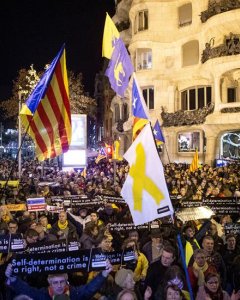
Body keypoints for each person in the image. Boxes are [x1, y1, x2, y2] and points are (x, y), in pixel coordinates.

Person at [5, 260, 113, 300]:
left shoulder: (75, 293)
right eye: (55, 282)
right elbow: (26, 290)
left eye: (62, 281)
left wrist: (103, 274)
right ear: (50, 283)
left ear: (66, 280)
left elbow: (90, 289)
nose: (59, 285)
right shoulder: (42, 295)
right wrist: (13, 278)